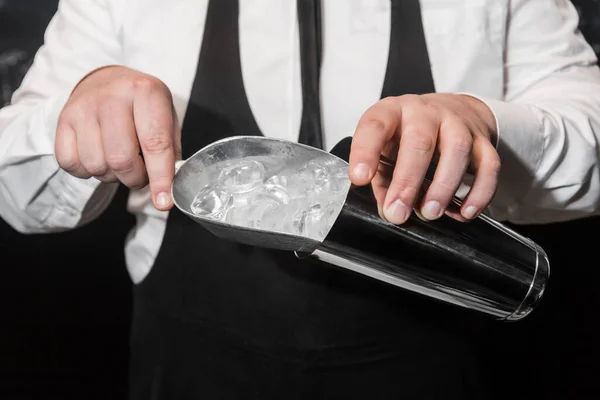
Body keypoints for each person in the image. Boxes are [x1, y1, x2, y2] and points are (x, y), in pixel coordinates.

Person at [1, 0, 599, 398]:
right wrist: (75, 110)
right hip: (193, 359)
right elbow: (18, 197)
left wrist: (488, 123)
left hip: (439, 360)